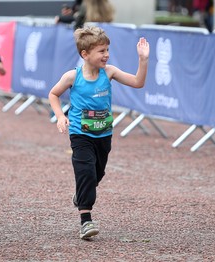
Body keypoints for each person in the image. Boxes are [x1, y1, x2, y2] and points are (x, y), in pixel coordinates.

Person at [48, 26, 149, 240]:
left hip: (103, 135)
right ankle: (86, 221)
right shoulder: (72, 77)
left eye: (107, 50)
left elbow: (138, 82)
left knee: (97, 174)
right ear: (85, 54)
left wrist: (143, 60)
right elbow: (54, 94)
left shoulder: (109, 72)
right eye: (101, 51)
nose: (106, 55)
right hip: (80, 134)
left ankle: (82, 193)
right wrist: (60, 116)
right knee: (85, 172)